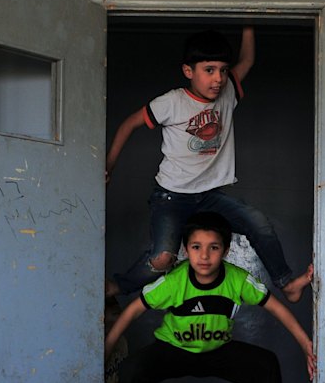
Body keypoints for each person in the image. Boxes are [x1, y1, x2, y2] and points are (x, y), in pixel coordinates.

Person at [106, 26, 312, 303]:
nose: (218, 79)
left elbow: (247, 60)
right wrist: (108, 167)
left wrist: (249, 23)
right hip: (171, 196)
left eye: (224, 70)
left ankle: (286, 283)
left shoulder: (227, 93)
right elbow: (129, 124)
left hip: (209, 196)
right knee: (162, 258)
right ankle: (117, 287)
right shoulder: (172, 102)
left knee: (259, 224)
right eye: (209, 70)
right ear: (188, 71)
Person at [104, 212, 316, 383]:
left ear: (225, 251)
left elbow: (278, 309)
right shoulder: (174, 281)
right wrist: (106, 350)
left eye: (213, 248)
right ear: (186, 250)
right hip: (174, 350)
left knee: (265, 363)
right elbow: (132, 311)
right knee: (131, 368)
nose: (204, 256)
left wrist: (306, 344)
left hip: (218, 351)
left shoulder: (238, 280)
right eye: (196, 247)